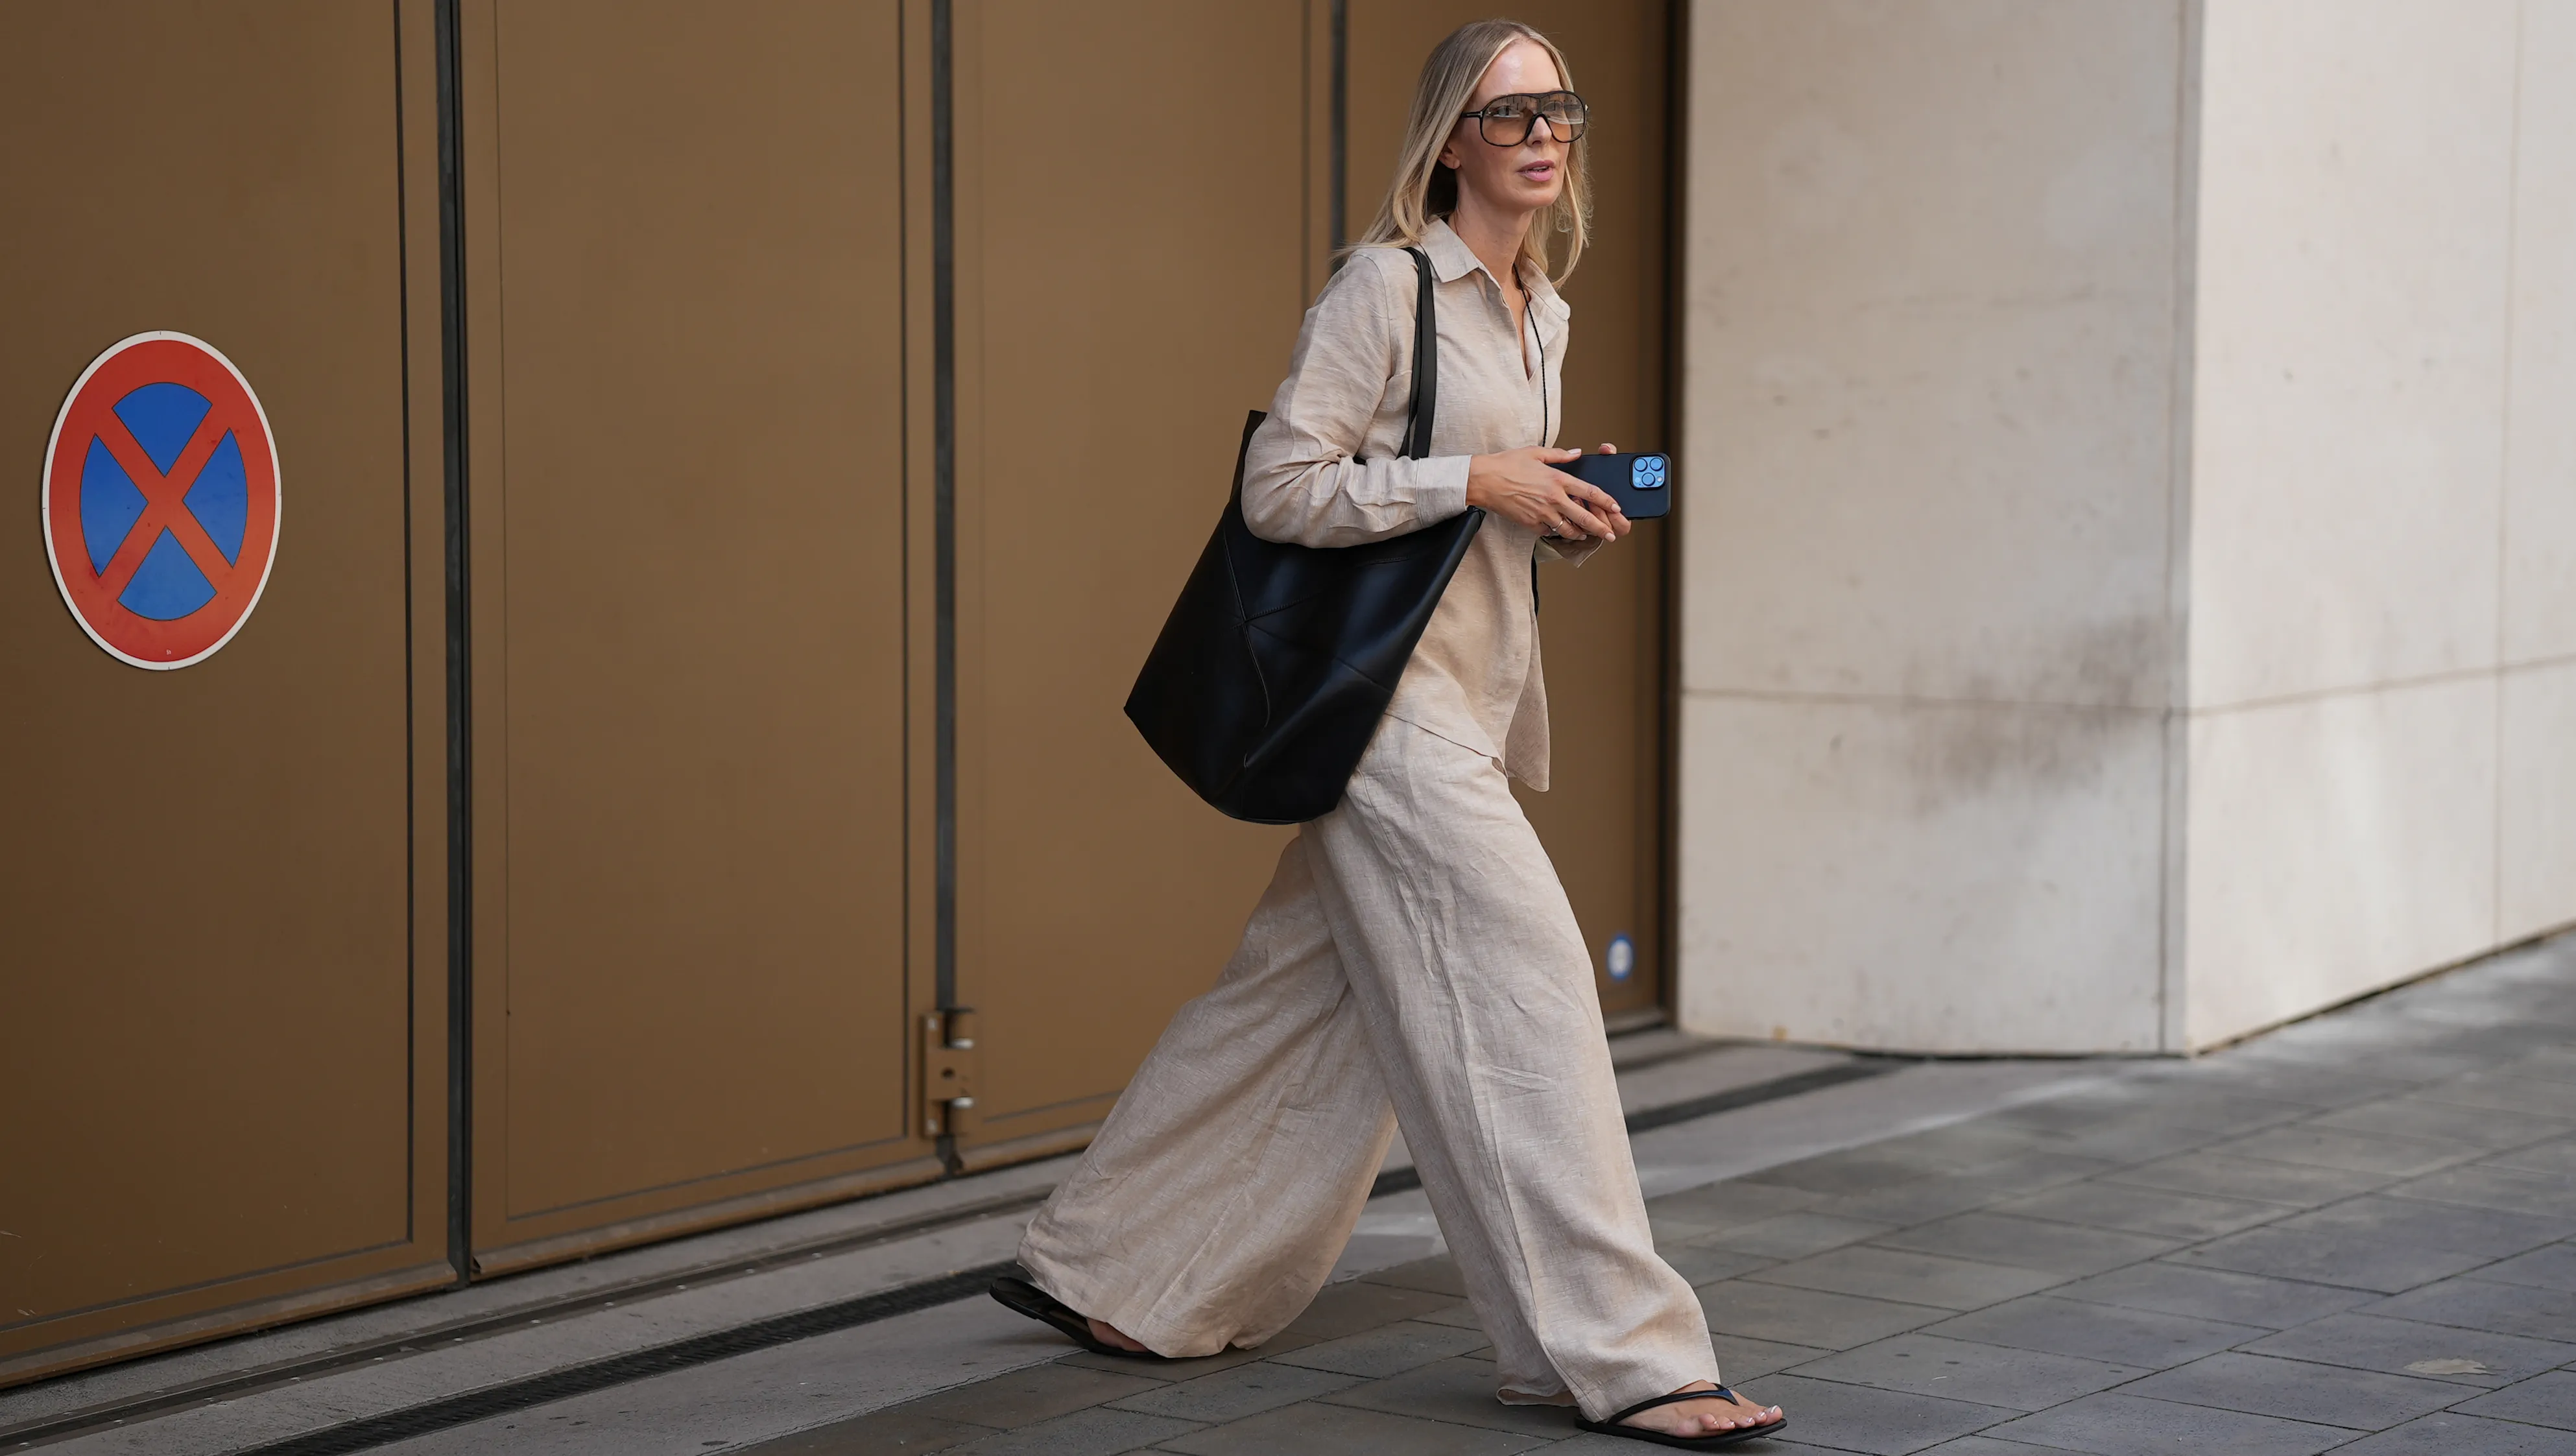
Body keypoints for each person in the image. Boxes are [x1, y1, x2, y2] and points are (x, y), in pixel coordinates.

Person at [992, 19, 1787, 1447]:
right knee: (1531, 993)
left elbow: (1468, 517)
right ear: (1450, 139)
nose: (1543, 134)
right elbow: (1280, 487)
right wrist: (1473, 474)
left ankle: (1115, 1274)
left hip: (1466, 709)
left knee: (1306, 1009)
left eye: (1561, 109)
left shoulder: (1542, 309)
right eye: (1509, 113)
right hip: (1383, 719)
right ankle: (1620, 1357)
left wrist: (1550, 511)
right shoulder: (1387, 286)